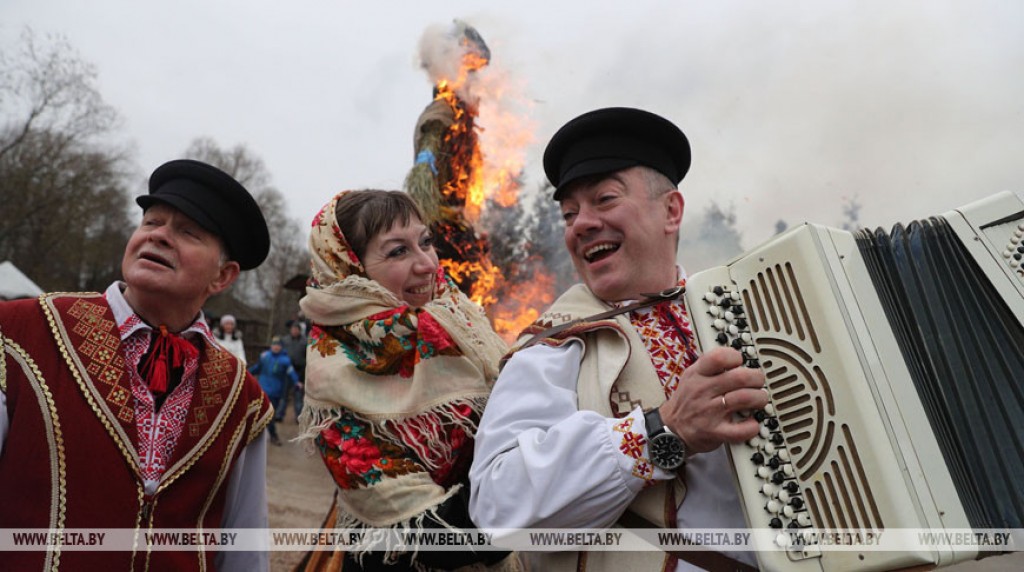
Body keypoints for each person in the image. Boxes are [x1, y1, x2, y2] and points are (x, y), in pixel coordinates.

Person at [468, 107, 768, 572]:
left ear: (671, 211)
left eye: (604, 199)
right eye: (569, 213)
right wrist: (660, 434)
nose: (580, 224)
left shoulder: (757, 319)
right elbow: (496, 510)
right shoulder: (553, 348)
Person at [0, 159, 274, 571]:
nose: (159, 236)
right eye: (151, 221)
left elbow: (243, 548)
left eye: (188, 231)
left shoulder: (242, 396)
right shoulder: (20, 334)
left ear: (223, 277)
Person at [295, 189, 519, 571]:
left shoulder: (457, 322)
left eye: (426, 242)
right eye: (398, 251)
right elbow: (420, 530)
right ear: (350, 268)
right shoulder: (334, 370)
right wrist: (541, 491)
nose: (427, 264)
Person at [249, 336, 299, 446]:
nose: (276, 347)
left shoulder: (285, 360)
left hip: (275, 393)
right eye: (274, 345)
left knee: (269, 416)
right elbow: (257, 368)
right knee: (257, 414)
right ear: (271, 346)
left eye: (278, 345)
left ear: (281, 347)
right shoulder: (265, 356)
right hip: (262, 390)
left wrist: (297, 382)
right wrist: (246, 373)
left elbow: (291, 373)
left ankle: (273, 436)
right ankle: (254, 437)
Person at [279, 321, 307, 421]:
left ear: (299, 330)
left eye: (296, 329)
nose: (294, 331)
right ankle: (279, 415)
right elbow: (278, 351)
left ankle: (298, 416)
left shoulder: (305, 341)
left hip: (299, 371)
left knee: (298, 395)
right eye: (293, 329)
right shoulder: (285, 340)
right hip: (286, 370)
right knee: (284, 394)